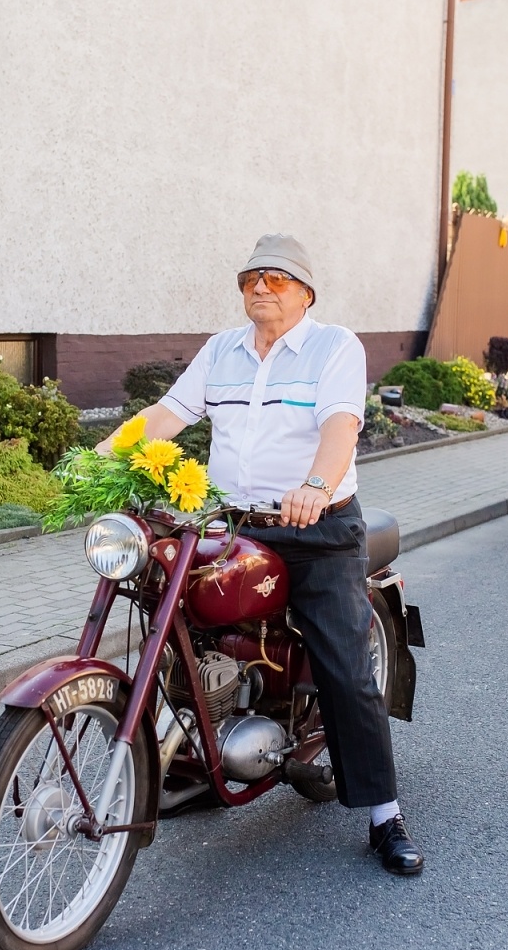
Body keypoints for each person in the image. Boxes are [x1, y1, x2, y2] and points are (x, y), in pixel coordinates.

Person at [98, 234, 423, 876]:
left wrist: (315, 486)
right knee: (176, 622)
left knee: (346, 667)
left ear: (305, 292)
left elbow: (339, 427)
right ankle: (193, 755)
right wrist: (98, 460)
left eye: (275, 278)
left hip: (315, 527)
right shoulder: (222, 350)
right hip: (233, 524)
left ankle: (383, 813)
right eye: (251, 278)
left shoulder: (335, 347)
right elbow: (168, 413)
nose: (260, 287)